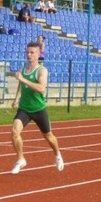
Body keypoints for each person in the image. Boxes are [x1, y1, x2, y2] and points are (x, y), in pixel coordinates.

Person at [10, 41, 64, 174]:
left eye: (32, 52)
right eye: (27, 52)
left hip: (39, 109)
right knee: (15, 131)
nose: (29, 55)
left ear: (38, 54)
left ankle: (57, 154)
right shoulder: (24, 69)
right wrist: (16, 98)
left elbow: (41, 88)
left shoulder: (42, 71)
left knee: (48, 136)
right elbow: (20, 85)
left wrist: (23, 80)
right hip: (24, 109)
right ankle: (21, 159)